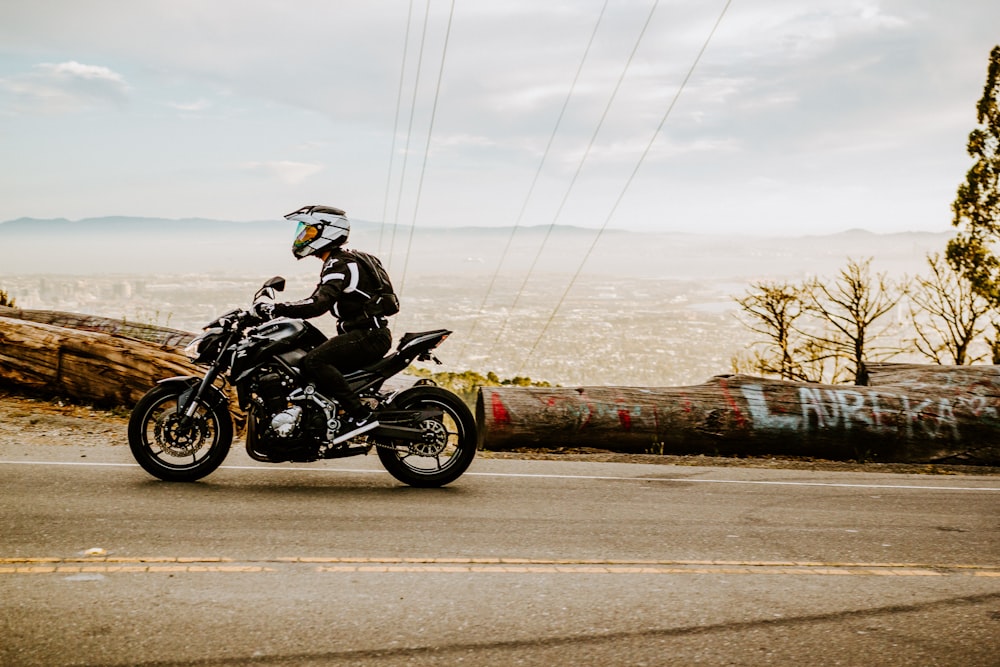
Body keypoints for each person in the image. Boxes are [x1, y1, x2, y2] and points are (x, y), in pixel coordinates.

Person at [255, 204, 394, 439]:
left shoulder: (339, 264)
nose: (302, 236)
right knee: (311, 357)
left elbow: (318, 304)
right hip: (365, 334)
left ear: (327, 231)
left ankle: (360, 416)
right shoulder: (341, 261)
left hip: (368, 336)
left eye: (308, 231)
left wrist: (275, 309)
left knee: (314, 361)